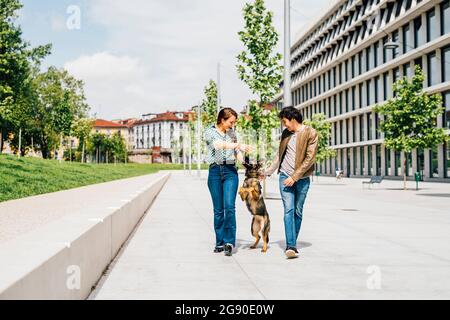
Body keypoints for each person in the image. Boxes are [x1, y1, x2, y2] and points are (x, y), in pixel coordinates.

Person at [263, 107, 319, 259]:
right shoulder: (286, 134)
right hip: (284, 176)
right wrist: (267, 172)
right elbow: (279, 156)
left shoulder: (310, 133)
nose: (284, 125)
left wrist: (294, 177)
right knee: (288, 210)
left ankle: (292, 242)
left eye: (285, 121)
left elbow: (310, 159)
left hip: (302, 179)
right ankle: (291, 245)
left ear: (292, 118)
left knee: (297, 211)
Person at [204, 108, 252, 257]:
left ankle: (229, 242)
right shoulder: (209, 131)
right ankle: (219, 242)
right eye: (231, 122)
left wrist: (247, 164)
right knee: (218, 210)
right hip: (215, 172)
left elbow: (237, 153)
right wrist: (238, 145)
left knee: (229, 207)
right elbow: (218, 145)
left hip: (231, 171)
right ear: (222, 120)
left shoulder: (232, 133)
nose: (233, 125)